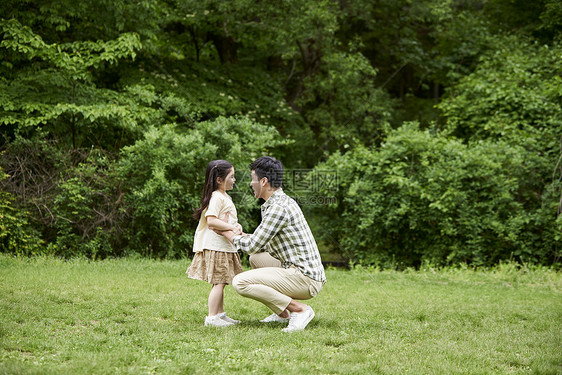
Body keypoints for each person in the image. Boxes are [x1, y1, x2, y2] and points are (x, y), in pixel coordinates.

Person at [217, 156, 326, 332]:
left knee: (240, 282)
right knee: (256, 259)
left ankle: (300, 310)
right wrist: (242, 235)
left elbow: (252, 245)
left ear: (264, 181)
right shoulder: (277, 202)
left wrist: (226, 233)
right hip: (297, 268)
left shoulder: (278, 208)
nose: (251, 184)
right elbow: (259, 244)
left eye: (253, 179)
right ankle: (282, 314)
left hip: (305, 277)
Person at [186, 160, 244, 327]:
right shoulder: (217, 197)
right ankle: (212, 318)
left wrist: (236, 226)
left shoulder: (224, 196)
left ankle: (220, 314)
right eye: (231, 177)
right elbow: (211, 221)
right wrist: (232, 227)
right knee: (219, 282)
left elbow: (226, 219)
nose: (234, 180)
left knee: (221, 281)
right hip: (216, 246)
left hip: (223, 246)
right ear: (219, 180)